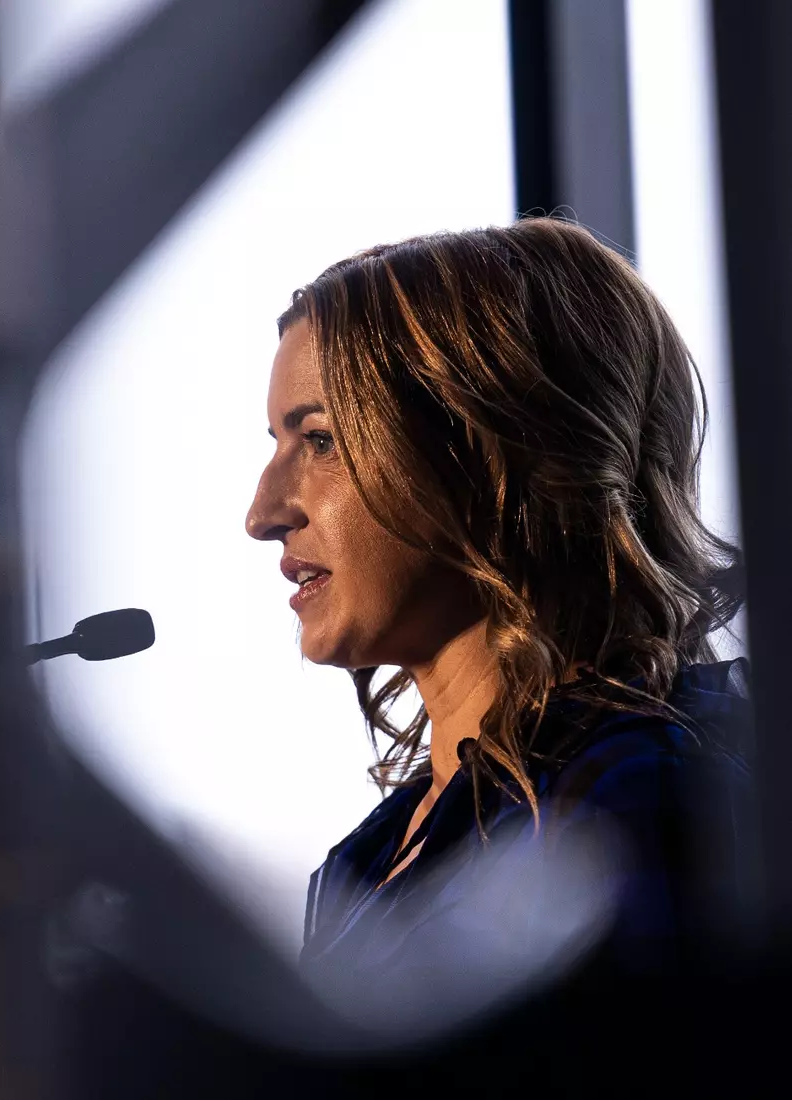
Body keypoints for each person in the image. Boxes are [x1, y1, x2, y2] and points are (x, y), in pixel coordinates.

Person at [244, 217, 754, 1030]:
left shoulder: (638, 797)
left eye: (320, 439)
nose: (263, 514)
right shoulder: (365, 860)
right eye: (275, 443)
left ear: (490, 452)